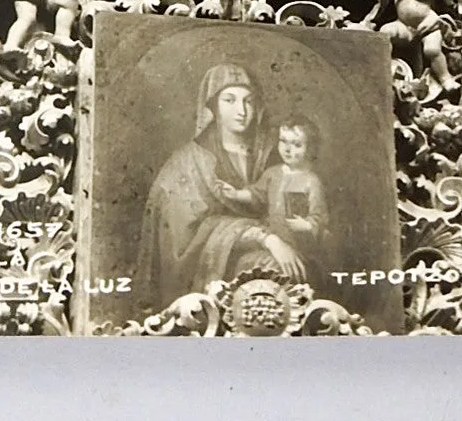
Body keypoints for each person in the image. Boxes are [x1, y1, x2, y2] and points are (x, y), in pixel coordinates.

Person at [136, 63, 307, 313]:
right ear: (212, 106)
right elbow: (183, 238)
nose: (242, 110)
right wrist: (266, 238)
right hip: (210, 270)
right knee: (273, 268)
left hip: (273, 252)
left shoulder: (272, 155)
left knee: (295, 270)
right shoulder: (187, 163)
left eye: (248, 101)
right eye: (230, 100)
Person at [254, 120, 330, 291]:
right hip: (275, 239)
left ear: (309, 148)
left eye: (296, 144)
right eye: (283, 141)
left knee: (290, 275)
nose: (288, 149)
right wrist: (235, 194)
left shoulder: (312, 181)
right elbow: (256, 194)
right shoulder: (272, 173)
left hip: (300, 245)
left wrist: (308, 224)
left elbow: (320, 216)